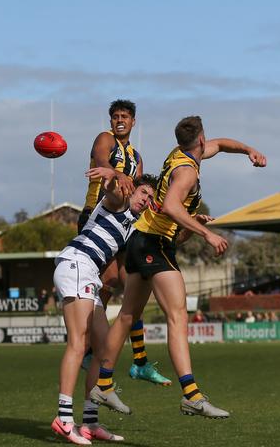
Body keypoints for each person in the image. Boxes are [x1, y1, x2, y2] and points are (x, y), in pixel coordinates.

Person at [90, 116, 266, 419]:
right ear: (200, 140)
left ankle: (102, 385)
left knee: (127, 316)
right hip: (153, 244)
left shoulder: (184, 153)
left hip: (141, 240)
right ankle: (191, 396)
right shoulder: (187, 171)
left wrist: (249, 149)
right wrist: (206, 233)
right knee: (177, 316)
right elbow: (172, 205)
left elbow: (222, 145)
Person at [51, 167, 157, 445]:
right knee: (78, 343)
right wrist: (113, 174)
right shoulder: (119, 201)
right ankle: (63, 418)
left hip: (88, 275)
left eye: (150, 197)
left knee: (103, 349)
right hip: (76, 263)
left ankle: (89, 421)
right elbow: (110, 188)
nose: (145, 199)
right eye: (143, 192)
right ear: (132, 189)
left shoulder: (134, 223)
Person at [79, 99, 170, 386]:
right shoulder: (105, 139)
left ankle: (139, 361)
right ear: (111, 121)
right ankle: (88, 350)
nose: (120, 120)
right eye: (116, 116)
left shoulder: (136, 155)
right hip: (97, 218)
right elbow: (102, 161)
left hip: (124, 224)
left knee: (133, 284)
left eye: (125, 117)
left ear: (133, 122)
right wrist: (116, 173)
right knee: (106, 283)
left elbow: (140, 188)